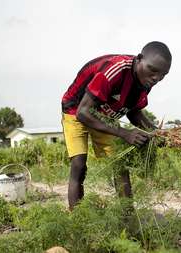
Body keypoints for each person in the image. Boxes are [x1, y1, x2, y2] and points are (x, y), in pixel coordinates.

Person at [61, 41, 172, 210]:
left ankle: (127, 218)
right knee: (79, 164)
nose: (156, 78)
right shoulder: (114, 71)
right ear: (139, 59)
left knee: (119, 165)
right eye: (153, 70)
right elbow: (83, 113)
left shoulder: (145, 82)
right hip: (76, 109)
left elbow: (134, 112)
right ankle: (77, 218)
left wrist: (156, 133)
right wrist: (125, 133)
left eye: (163, 75)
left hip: (103, 114)